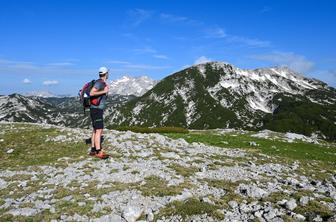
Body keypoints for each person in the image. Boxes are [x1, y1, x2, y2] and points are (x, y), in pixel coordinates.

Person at [89, 67, 110, 159]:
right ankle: (98, 151)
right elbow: (91, 93)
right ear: (106, 74)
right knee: (99, 130)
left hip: (94, 108)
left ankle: (93, 150)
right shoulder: (100, 83)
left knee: (95, 129)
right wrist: (104, 91)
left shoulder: (99, 82)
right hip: (97, 109)